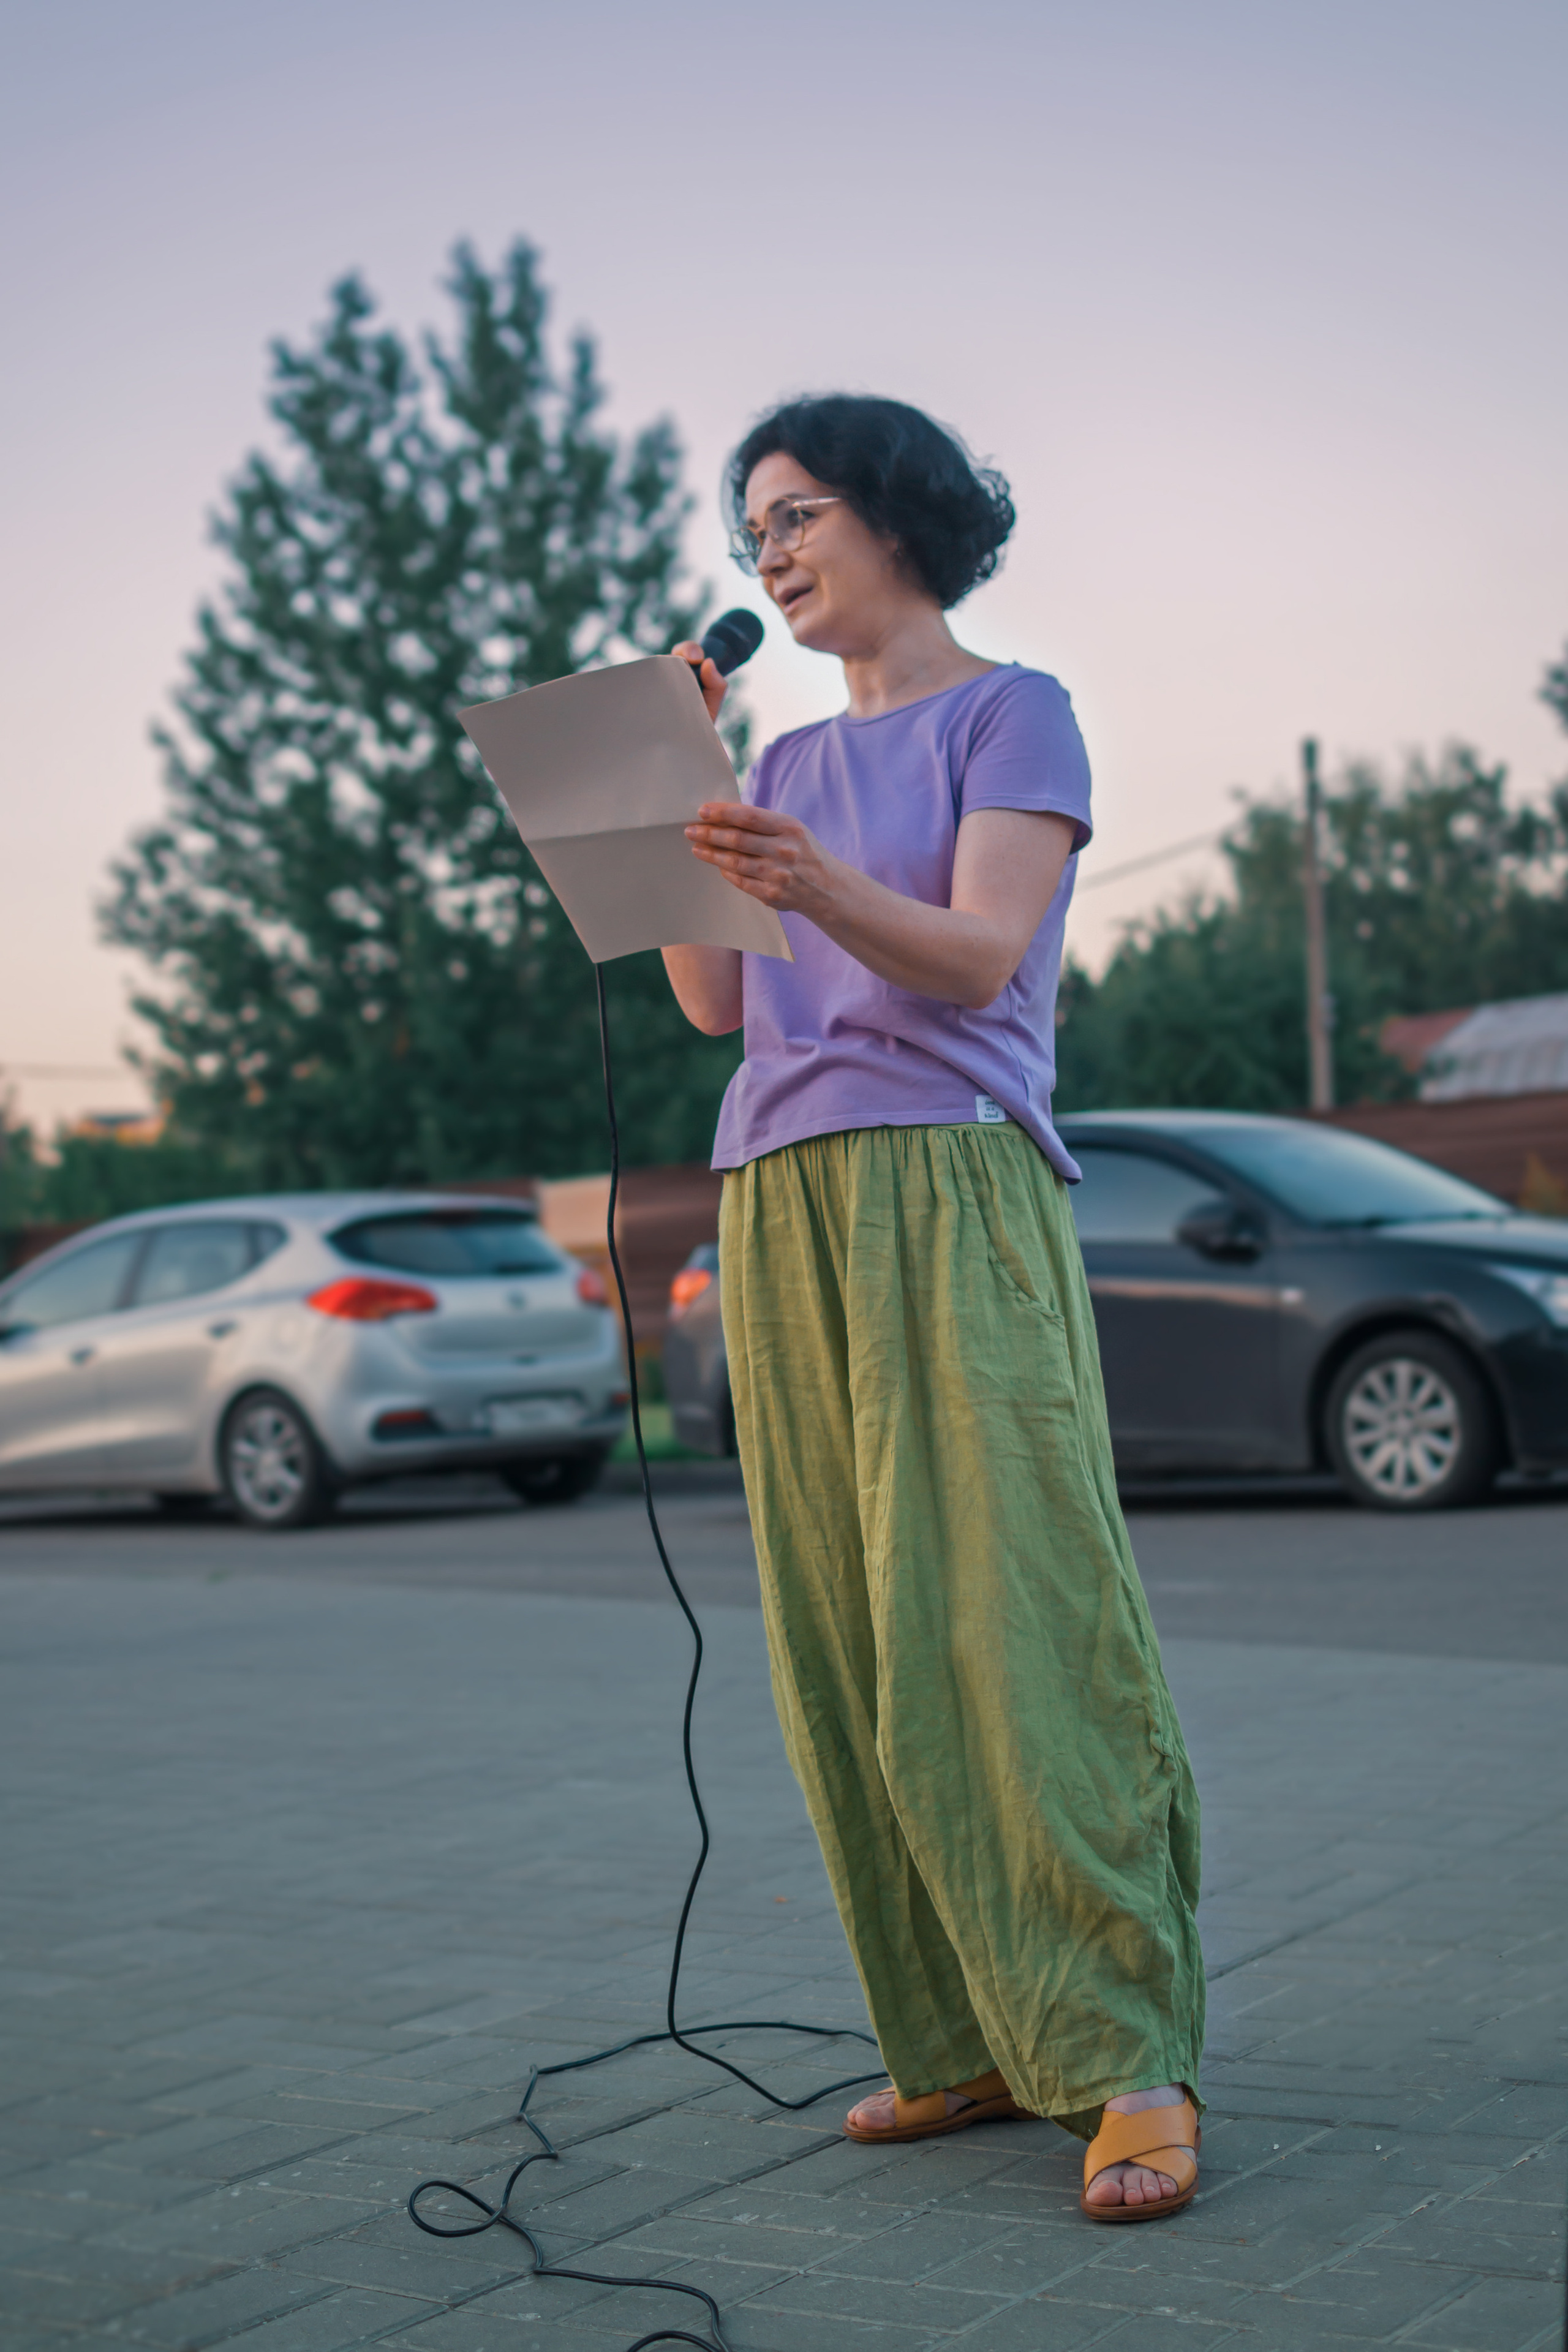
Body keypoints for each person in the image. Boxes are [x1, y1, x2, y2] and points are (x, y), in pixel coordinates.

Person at [663, 394, 1205, 2221]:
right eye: (753, 535)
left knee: (1008, 1611)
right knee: (849, 1639)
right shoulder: (785, 768)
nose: (774, 556)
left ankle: (1124, 2050)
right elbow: (711, 1008)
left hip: (951, 1171)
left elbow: (980, 957)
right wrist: (680, 793)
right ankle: (963, 2038)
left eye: (799, 513)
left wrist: (808, 875)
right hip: (779, 1195)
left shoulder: (1009, 711)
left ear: (900, 512)